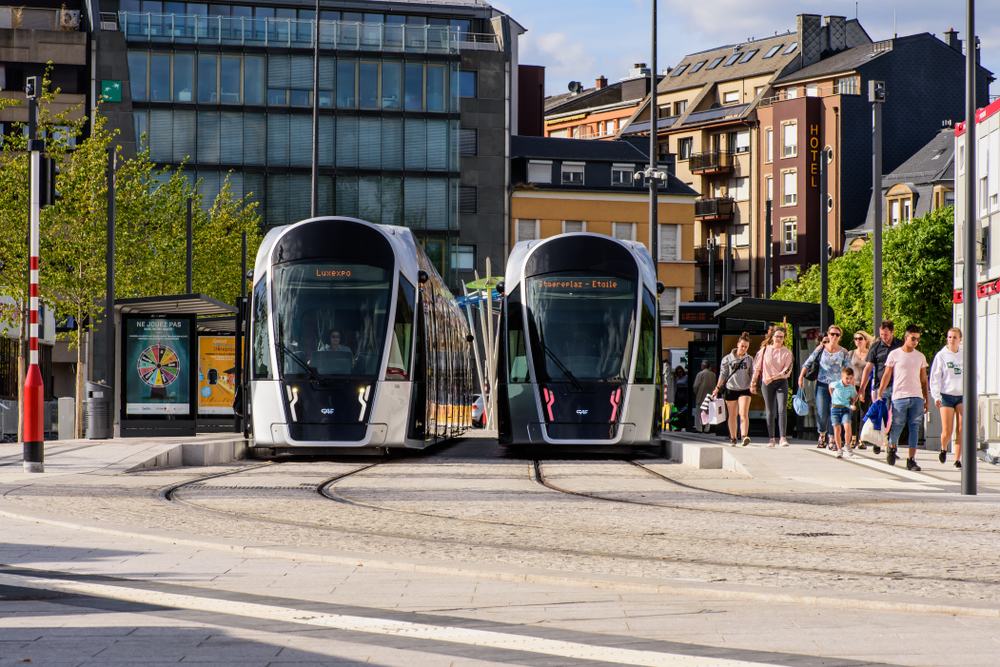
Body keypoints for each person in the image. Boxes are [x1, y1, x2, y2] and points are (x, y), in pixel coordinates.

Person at [876, 324, 929, 471]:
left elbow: (924, 380)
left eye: (918, 339)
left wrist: (927, 399)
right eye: (913, 338)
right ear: (906, 337)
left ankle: (911, 460)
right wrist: (880, 394)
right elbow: (886, 375)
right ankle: (892, 447)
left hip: (917, 397)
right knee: (897, 425)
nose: (916, 342)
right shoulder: (894, 354)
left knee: (914, 427)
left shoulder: (920, 356)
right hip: (899, 396)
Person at [798, 325, 852, 449]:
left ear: (840, 337)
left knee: (834, 412)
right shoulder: (821, 349)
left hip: (837, 387)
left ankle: (832, 440)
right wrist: (800, 377)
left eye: (837, 334)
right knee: (822, 413)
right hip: (822, 384)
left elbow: (849, 370)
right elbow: (807, 363)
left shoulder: (843, 352)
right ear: (828, 335)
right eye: (832, 334)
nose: (834, 336)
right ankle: (822, 434)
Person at [859, 321, 903, 455]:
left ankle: (892, 446)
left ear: (893, 332)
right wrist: (862, 388)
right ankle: (878, 441)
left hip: (898, 386)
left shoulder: (901, 345)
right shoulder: (876, 346)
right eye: (881, 334)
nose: (883, 337)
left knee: (897, 418)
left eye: (886, 334)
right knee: (882, 416)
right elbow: (868, 368)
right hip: (881, 387)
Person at [751, 325, 793, 447]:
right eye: (777, 336)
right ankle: (771, 438)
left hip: (781, 382)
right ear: (772, 337)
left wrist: (772, 378)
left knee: (782, 409)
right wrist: (753, 383)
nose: (779, 339)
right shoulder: (764, 350)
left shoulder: (787, 352)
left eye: (781, 337)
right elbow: (757, 368)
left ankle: (783, 437)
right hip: (767, 383)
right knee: (770, 411)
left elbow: (787, 371)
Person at [929, 327, 964, 468]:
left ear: (960, 339)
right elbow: (935, 377)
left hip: (962, 396)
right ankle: (943, 448)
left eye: (955, 337)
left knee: (961, 429)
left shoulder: (965, 354)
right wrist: (936, 396)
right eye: (949, 337)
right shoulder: (941, 355)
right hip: (947, 396)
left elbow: (975, 374)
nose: (952, 340)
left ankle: (957, 460)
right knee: (947, 430)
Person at [712, 332, 755, 446]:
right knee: (732, 415)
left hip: (744, 388)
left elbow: (753, 373)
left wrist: (753, 384)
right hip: (730, 388)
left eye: (746, 347)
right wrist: (717, 388)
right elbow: (723, 374)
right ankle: (733, 438)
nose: (744, 349)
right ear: (737, 345)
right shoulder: (727, 359)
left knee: (743, 413)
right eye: (742, 346)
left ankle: (744, 436)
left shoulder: (749, 359)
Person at [850, 331, 873, 449]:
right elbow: (847, 371)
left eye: (860, 338)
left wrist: (863, 388)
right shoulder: (851, 353)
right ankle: (853, 438)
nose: (857, 341)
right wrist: (854, 388)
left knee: (864, 412)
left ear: (865, 341)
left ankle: (861, 439)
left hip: (866, 386)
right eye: (855, 338)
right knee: (852, 412)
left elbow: (870, 371)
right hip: (853, 386)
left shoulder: (870, 354)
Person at [829, 367, 858, 458]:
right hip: (835, 409)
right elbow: (830, 386)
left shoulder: (851, 388)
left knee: (847, 426)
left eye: (851, 378)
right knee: (837, 429)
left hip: (845, 409)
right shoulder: (837, 384)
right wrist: (832, 395)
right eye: (846, 378)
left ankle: (847, 445)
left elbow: (853, 398)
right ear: (842, 377)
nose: (848, 380)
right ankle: (839, 449)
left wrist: (853, 404)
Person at [692, 360, 717, 432]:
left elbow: (695, 386)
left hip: (701, 396)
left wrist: (697, 393)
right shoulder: (713, 375)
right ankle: (707, 428)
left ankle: (699, 428)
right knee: (708, 412)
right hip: (710, 396)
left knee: (698, 413)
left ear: (703, 366)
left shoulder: (700, 374)